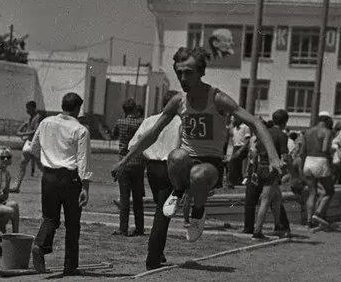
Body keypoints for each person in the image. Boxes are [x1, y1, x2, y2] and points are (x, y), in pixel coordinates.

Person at [112, 46, 280, 269]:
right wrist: (125, 160)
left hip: (210, 164)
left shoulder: (217, 98)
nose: (183, 78)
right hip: (185, 162)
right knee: (176, 155)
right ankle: (178, 192)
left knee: (198, 174)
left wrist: (274, 157)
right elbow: (152, 133)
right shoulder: (178, 102)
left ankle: (198, 211)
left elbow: (256, 122)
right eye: (179, 72)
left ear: (201, 72)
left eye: (188, 72)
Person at [27, 92, 92, 275]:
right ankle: (70, 266)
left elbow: (33, 149)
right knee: (72, 224)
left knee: (50, 218)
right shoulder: (80, 130)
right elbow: (83, 160)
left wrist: (44, 168)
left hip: (48, 176)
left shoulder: (45, 122)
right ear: (78, 109)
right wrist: (85, 187)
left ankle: (40, 245)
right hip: (70, 178)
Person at [126, 90, 181, 264]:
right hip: (171, 166)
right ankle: (153, 254)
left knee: (161, 208)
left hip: (152, 167)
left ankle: (158, 251)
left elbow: (132, 144)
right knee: (163, 212)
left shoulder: (150, 120)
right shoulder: (181, 122)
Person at [249, 109, 291, 239]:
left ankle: (278, 224)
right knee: (265, 201)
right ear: (285, 122)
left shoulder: (264, 132)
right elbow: (284, 157)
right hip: (272, 169)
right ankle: (257, 231)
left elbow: (254, 152)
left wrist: (254, 170)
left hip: (261, 167)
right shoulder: (282, 135)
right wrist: (287, 170)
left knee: (277, 197)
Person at [111, 98, 145, 236]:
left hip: (123, 162)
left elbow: (113, 135)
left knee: (124, 197)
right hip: (138, 162)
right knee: (138, 198)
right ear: (135, 109)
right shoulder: (141, 122)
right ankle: (139, 227)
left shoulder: (120, 122)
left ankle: (122, 228)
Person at [302, 111, 335, 227]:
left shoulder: (308, 132)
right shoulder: (326, 131)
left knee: (312, 193)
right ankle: (318, 213)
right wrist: (332, 153)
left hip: (308, 161)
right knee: (330, 191)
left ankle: (309, 221)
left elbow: (303, 151)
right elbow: (325, 149)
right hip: (321, 161)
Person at [12, 100, 43, 192]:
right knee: (22, 165)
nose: (27, 110)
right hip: (28, 143)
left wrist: (24, 133)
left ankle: (50, 184)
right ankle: (17, 186)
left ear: (33, 108)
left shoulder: (38, 118)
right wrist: (23, 130)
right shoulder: (30, 119)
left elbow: (35, 131)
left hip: (34, 144)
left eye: (28, 108)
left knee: (40, 166)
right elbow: (21, 131)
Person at [228, 115, 251, 188]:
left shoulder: (245, 127)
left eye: (234, 119)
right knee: (236, 164)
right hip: (235, 147)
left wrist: (240, 151)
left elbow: (247, 141)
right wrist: (231, 123)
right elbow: (230, 134)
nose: (233, 120)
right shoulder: (234, 128)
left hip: (242, 148)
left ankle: (232, 181)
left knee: (233, 161)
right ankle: (237, 181)